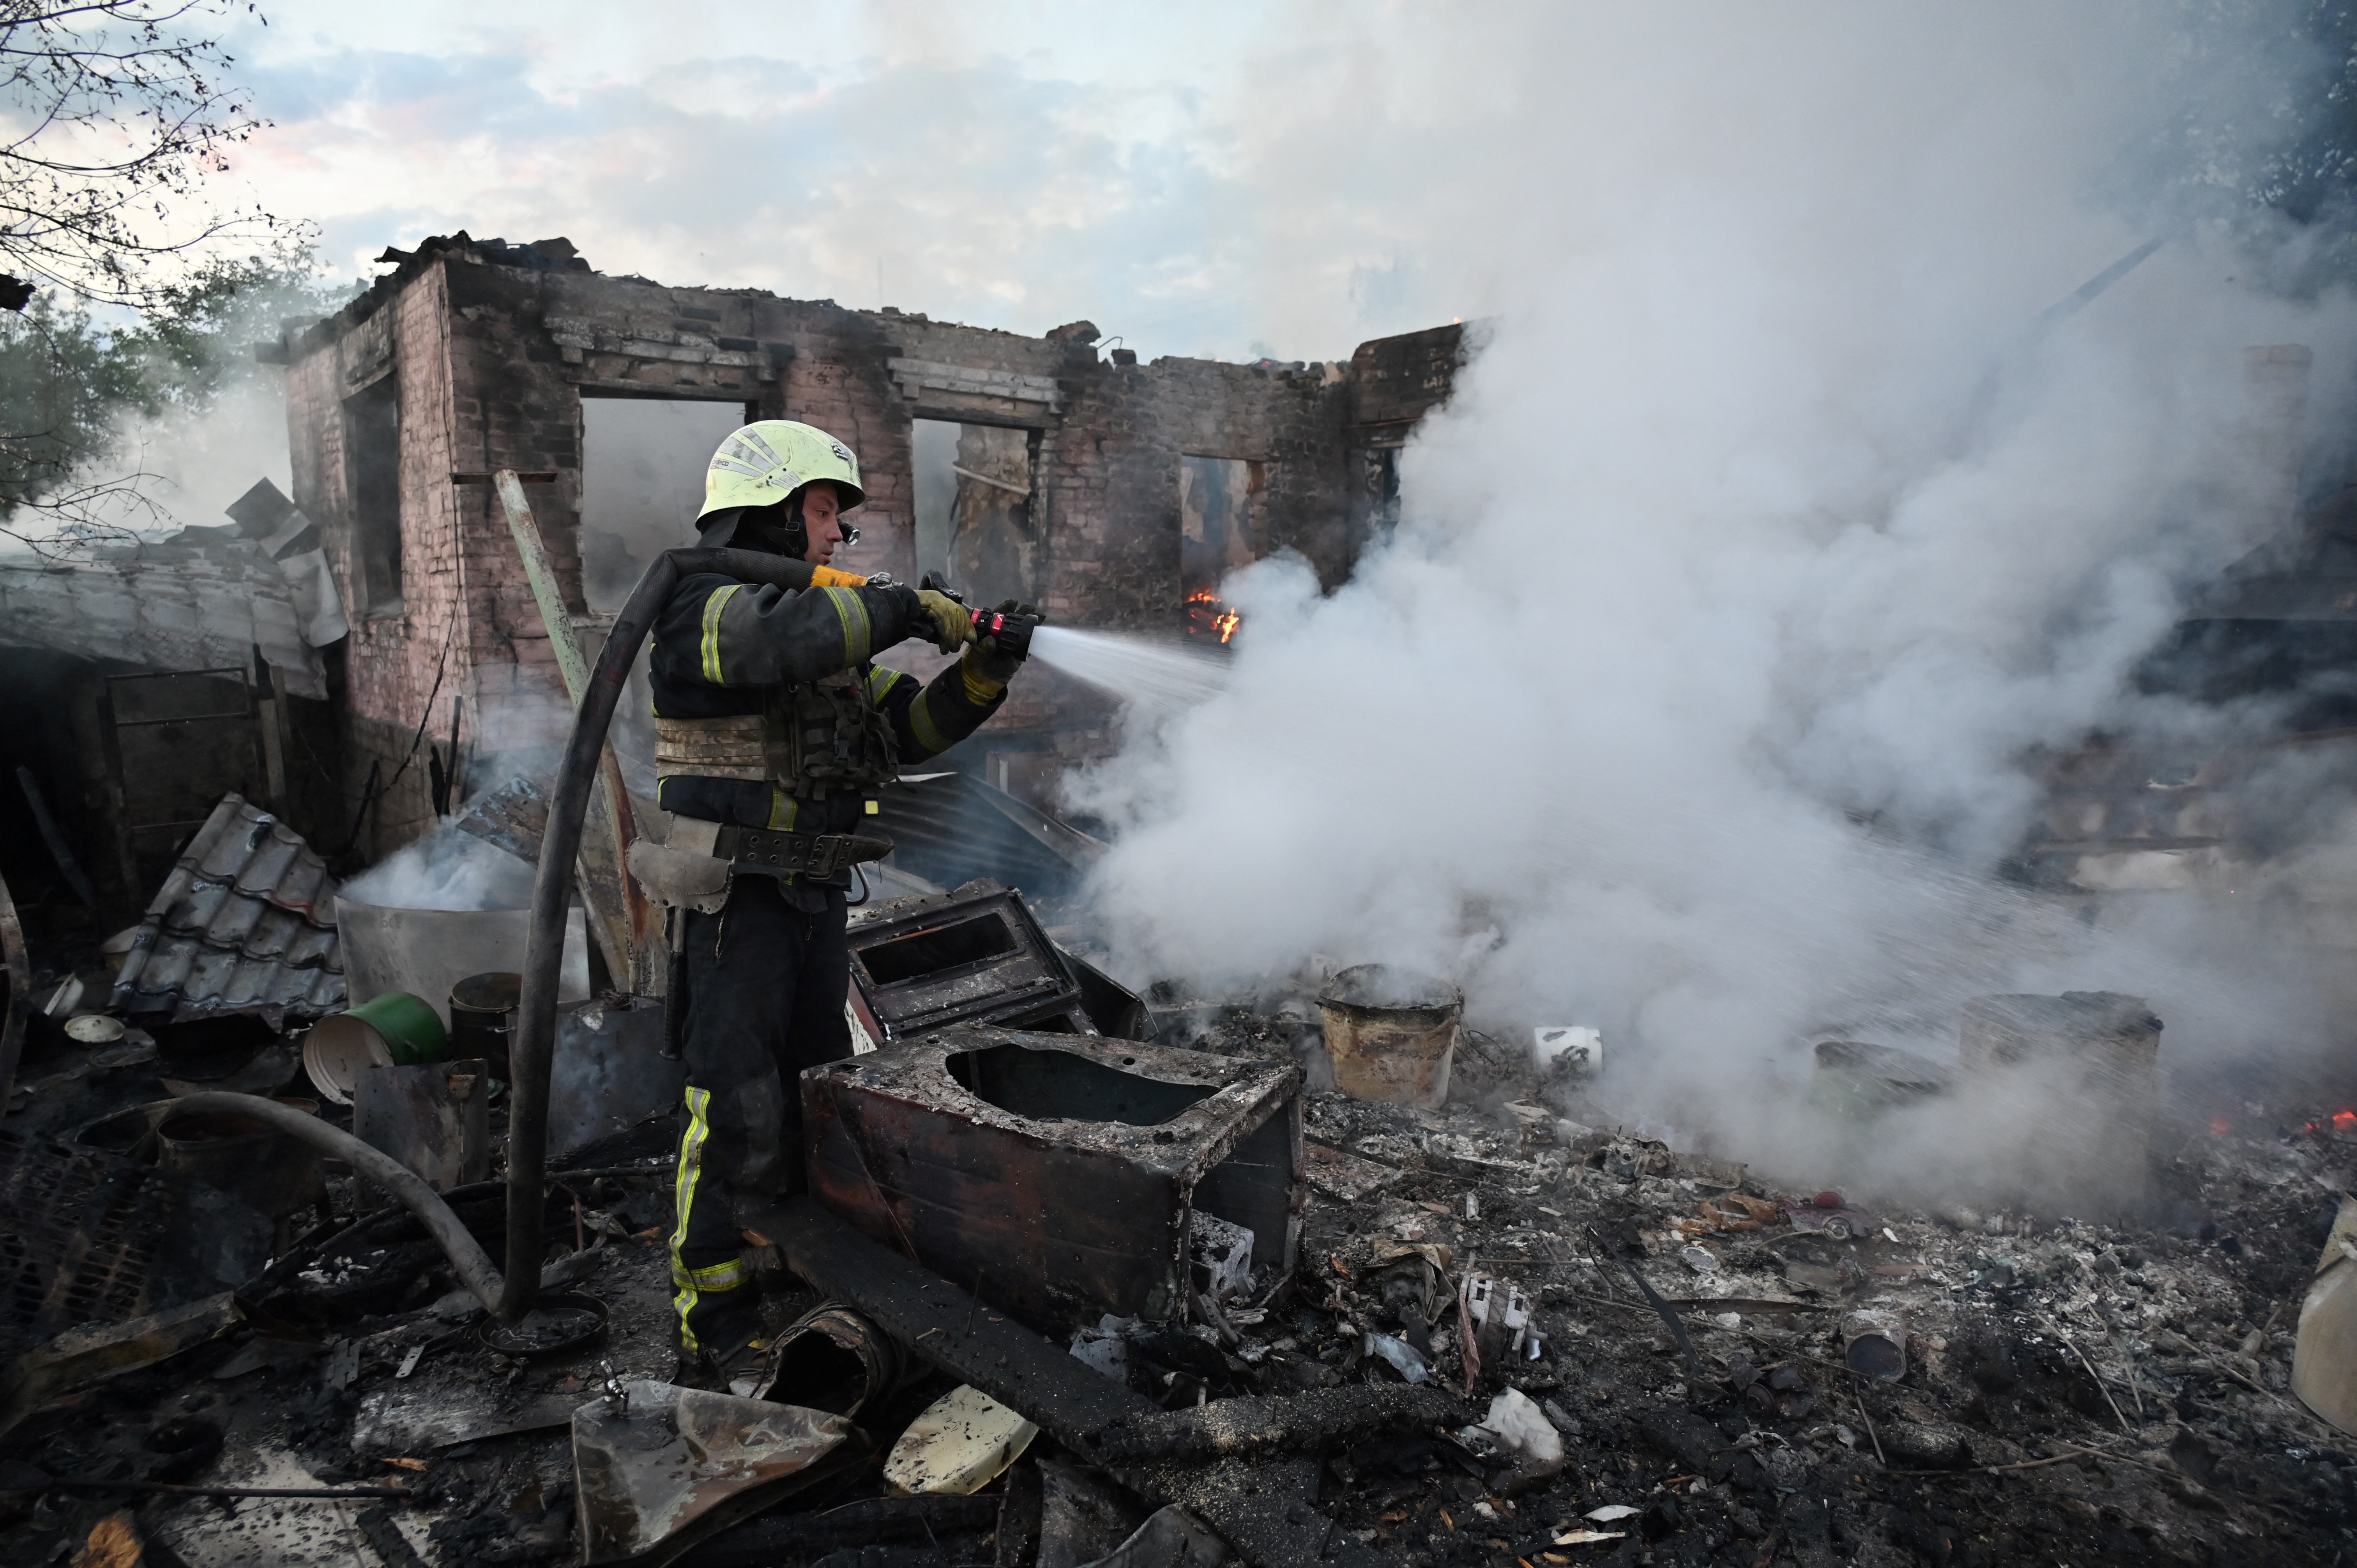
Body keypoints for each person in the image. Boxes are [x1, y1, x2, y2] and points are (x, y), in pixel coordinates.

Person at [639, 419, 1035, 1379]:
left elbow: (901, 730)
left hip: (809, 898)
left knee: (815, 1090)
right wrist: (903, 606)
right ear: (770, 507)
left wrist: (983, 669)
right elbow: (781, 641)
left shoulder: (825, 634)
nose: (834, 537)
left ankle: (796, 1252)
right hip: (735, 901)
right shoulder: (698, 603)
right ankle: (713, 1310)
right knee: (732, 1102)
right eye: (823, 513)